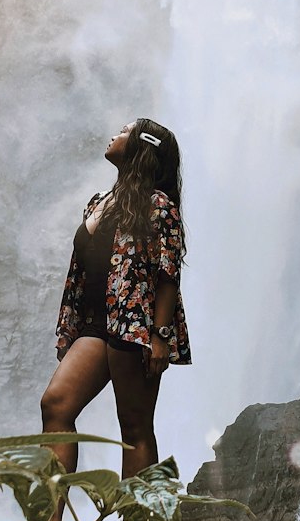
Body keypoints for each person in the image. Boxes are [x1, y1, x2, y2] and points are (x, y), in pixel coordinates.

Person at [41, 117, 191, 483]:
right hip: (95, 324)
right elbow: (80, 270)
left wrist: (159, 335)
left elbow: (168, 275)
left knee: (135, 428)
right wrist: (70, 328)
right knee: (56, 405)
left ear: (143, 148)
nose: (114, 134)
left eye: (124, 131)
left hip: (135, 326)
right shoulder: (98, 202)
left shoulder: (159, 205)